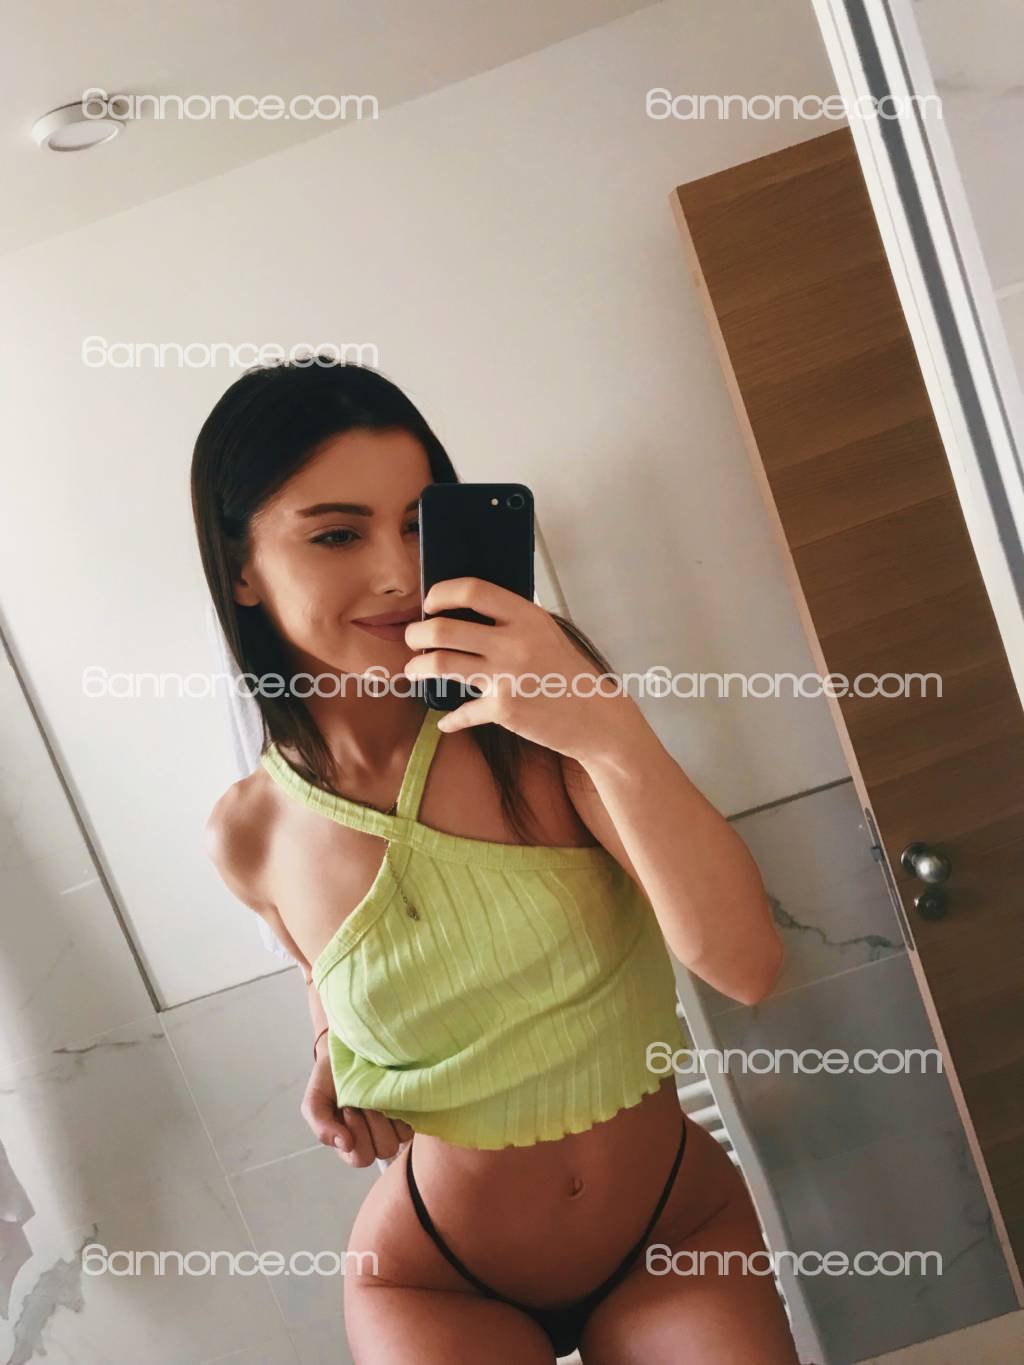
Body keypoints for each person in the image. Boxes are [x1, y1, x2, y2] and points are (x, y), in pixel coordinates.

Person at [193, 357, 798, 1363]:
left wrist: (603, 725)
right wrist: (331, 1050)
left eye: (419, 524)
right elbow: (324, 971)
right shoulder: (247, 835)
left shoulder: (536, 710)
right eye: (338, 534)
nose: (399, 572)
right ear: (242, 567)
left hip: (672, 1229)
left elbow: (746, 965)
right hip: (434, 1278)